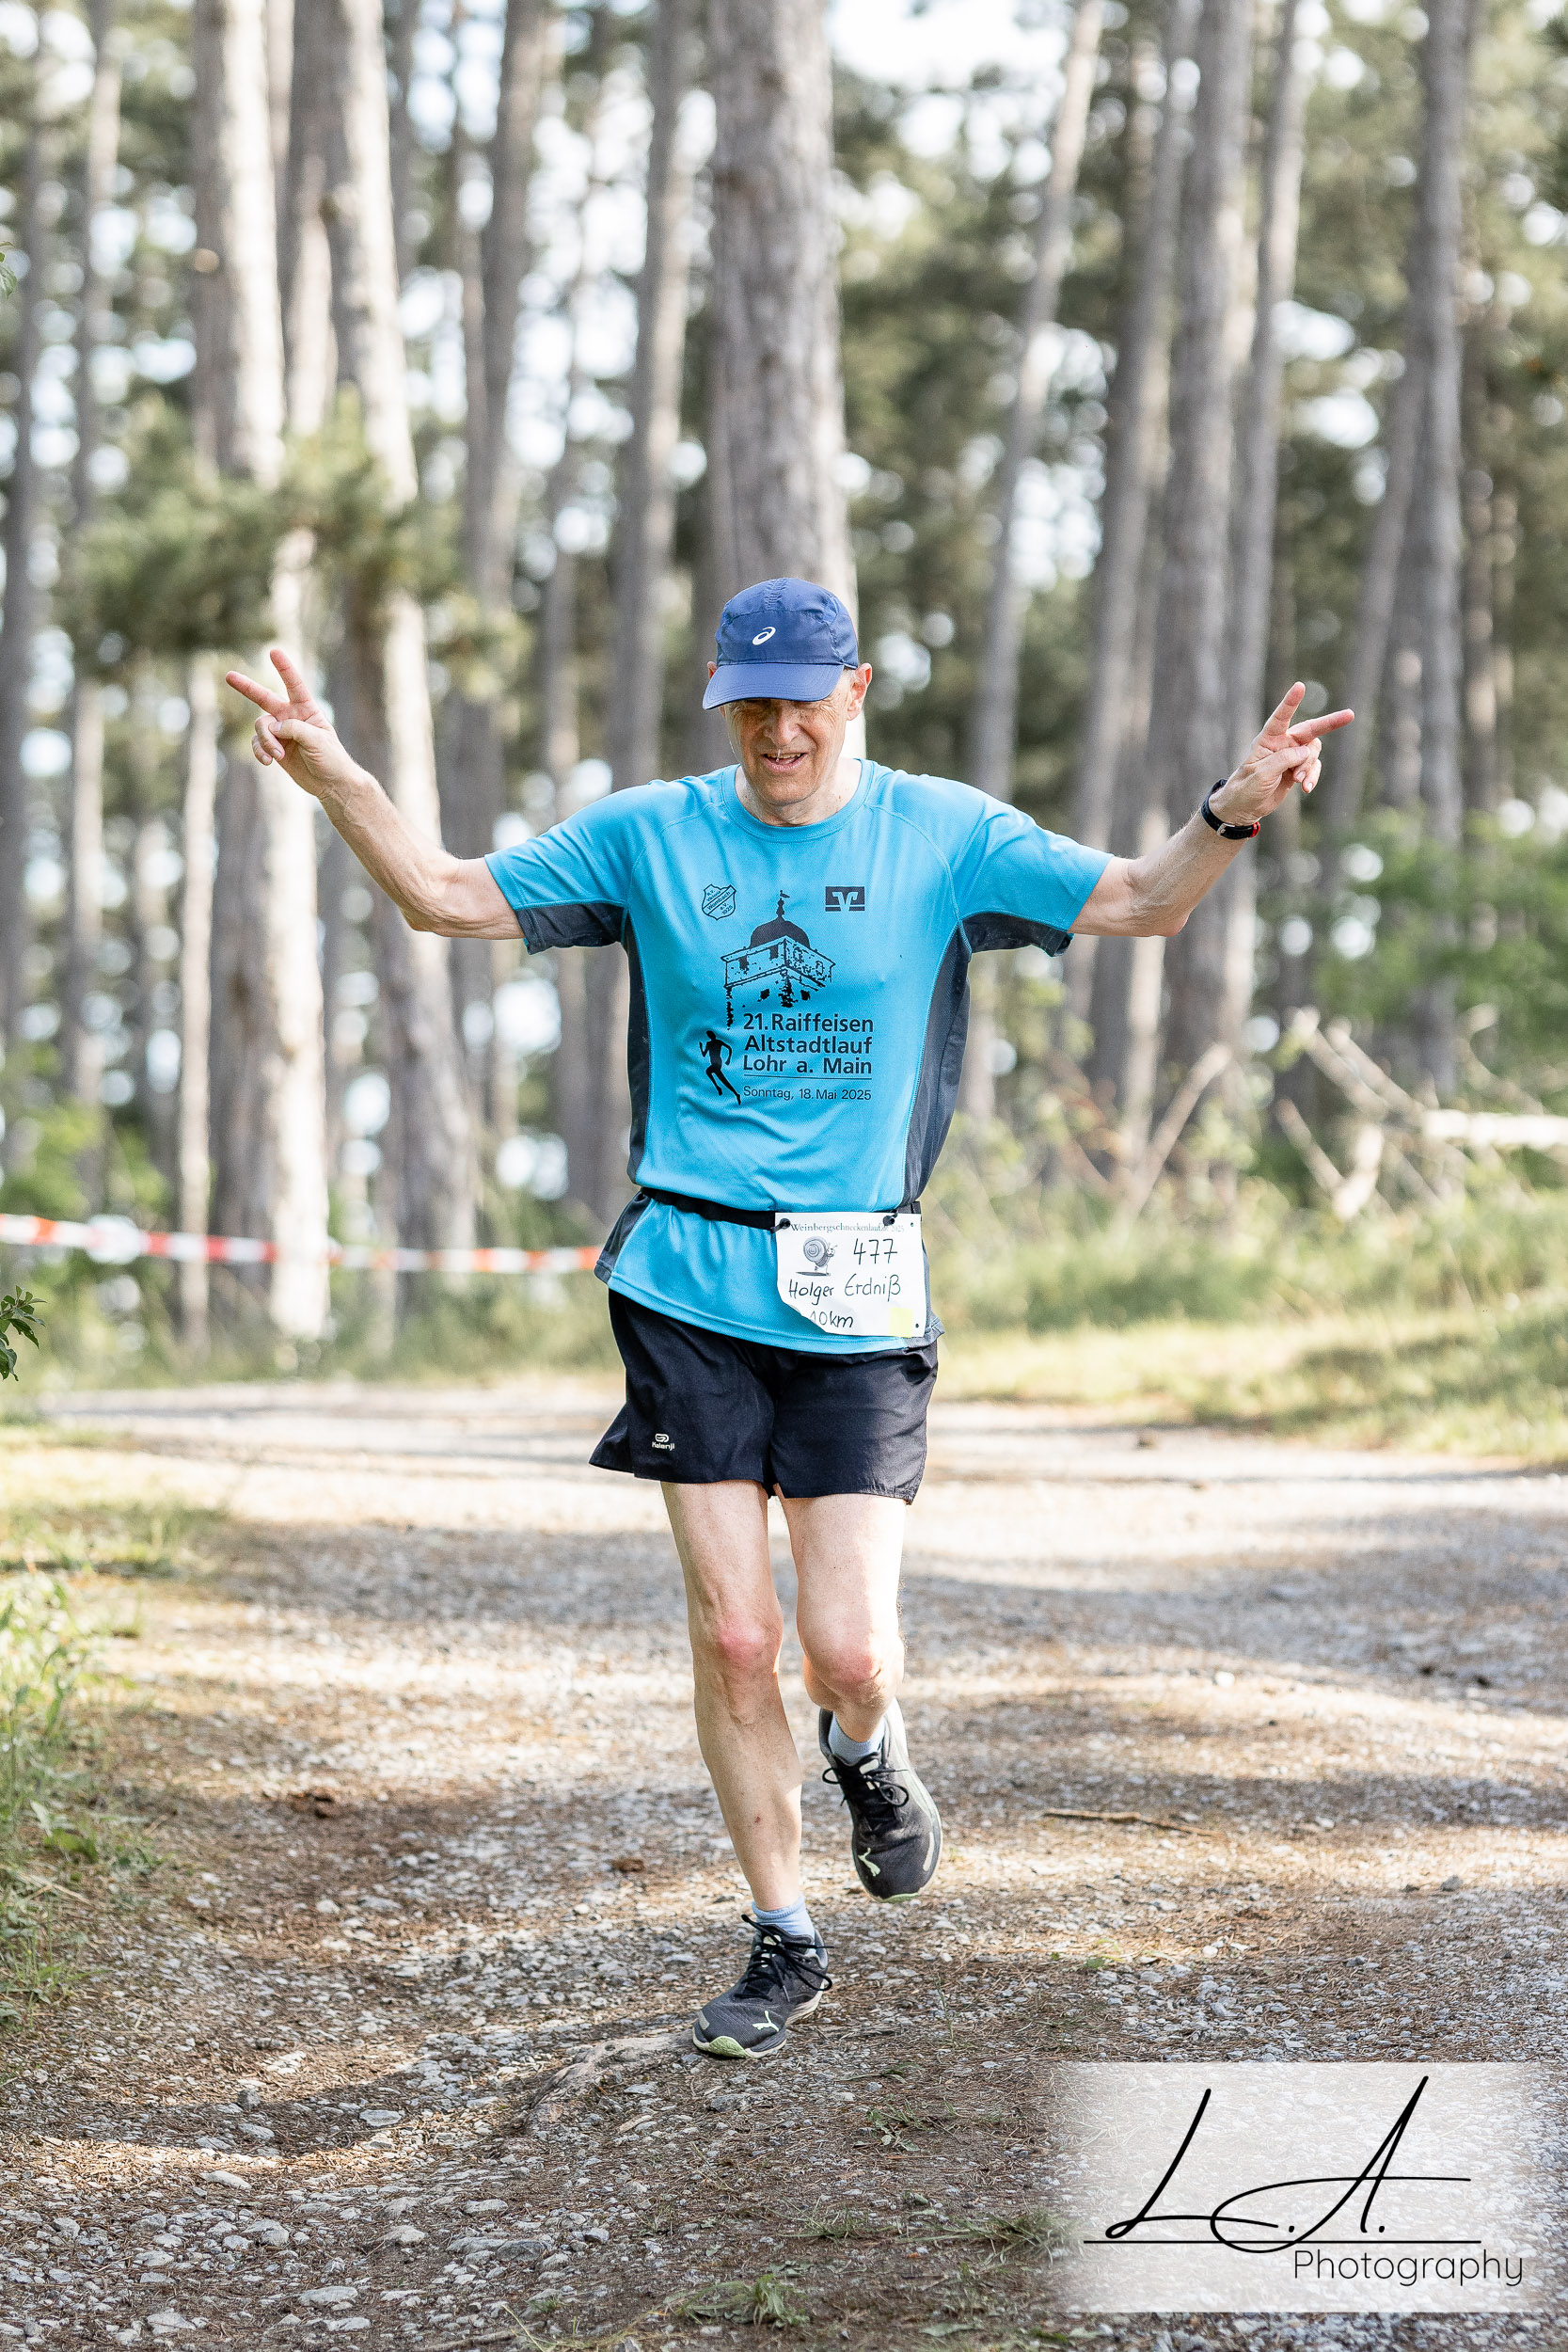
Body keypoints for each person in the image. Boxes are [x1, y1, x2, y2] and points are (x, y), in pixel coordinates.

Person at [228, 578, 1351, 2061]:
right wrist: (340, 781)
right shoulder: (652, 835)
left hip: (858, 1286)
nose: (777, 731)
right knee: (739, 1632)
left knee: (849, 1649)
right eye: (749, 705)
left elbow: (1144, 899)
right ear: (723, 703)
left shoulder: (941, 835)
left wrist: (1231, 810)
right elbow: (444, 894)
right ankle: (784, 1933)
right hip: (687, 1281)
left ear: (855, 691)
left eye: (802, 702)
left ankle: (868, 1752)